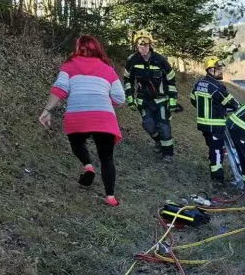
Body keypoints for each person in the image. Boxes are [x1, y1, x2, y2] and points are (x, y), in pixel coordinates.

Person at [39, 34, 125, 206]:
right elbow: (120, 97)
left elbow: (60, 89)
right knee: (107, 158)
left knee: (77, 142)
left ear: (77, 48)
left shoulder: (69, 65)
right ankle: (110, 197)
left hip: (77, 114)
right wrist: (104, 103)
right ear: (98, 48)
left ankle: (88, 166)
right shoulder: (108, 69)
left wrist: (47, 110)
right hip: (103, 116)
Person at [123, 30, 179, 162]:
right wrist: (130, 98)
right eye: (140, 44)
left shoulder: (160, 60)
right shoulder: (132, 60)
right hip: (143, 100)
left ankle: (168, 154)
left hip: (161, 100)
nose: (143, 47)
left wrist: (172, 99)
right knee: (148, 125)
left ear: (150, 45)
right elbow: (127, 80)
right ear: (136, 45)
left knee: (164, 127)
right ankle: (159, 142)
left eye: (145, 44)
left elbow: (171, 79)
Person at [190, 56, 240, 182]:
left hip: (203, 125)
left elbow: (193, 99)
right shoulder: (217, 87)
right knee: (217, 151)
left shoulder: (199, 84)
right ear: (211, 70)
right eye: (218, 69)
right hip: (216, 125)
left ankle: (214, 168)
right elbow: (230, 102)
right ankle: (217, 179)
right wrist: (238, 106)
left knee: (213, 148)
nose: (221, 71)